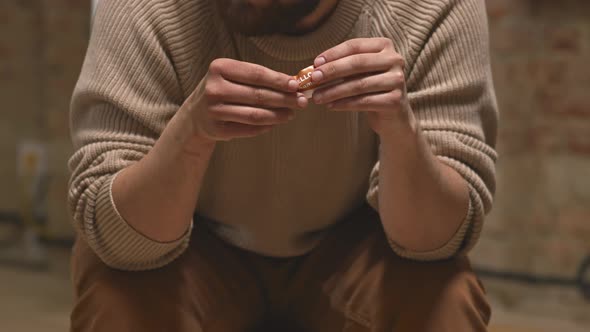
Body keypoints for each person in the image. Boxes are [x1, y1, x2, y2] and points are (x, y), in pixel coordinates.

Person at [68, 0, 498, 331]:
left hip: (357, 239)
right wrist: (191, 133)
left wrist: (400, 131)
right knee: (115, 296)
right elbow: (117, 240)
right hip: (194, 242)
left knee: (447, 298)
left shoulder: (432, 8)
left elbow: (437, 240)